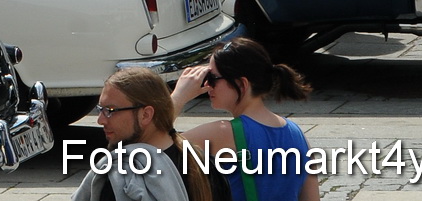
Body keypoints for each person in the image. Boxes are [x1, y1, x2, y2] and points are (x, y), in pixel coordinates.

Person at [172, 38, 316, 201]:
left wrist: (179, 96)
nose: (207, 85)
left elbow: (149, 146)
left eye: (212, 78)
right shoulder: (297, 133)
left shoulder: (222, 133)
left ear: (242, 84)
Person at [69, 69, 219, 201]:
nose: (100, 120)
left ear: (146, 115)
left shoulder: (118, 180)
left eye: (110, 111)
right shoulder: (205, 165)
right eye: (100, 109)